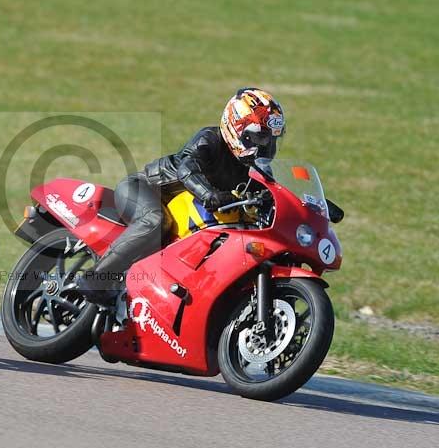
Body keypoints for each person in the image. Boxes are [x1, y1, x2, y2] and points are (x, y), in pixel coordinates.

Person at [77, 88, 286, 305]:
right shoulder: (210, 139)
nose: (266, 146)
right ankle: (95, 278)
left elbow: (274, 195)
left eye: (271, 140)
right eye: (261, 137)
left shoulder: (253, 169)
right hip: (144, 189)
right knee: (156, 222)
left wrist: (312, 209)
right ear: (238, 128)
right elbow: (187, 168)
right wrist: (209, 194)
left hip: (190, 220)